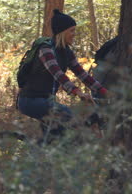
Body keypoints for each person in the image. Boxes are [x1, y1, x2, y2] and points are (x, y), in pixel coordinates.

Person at [17, 9, 108, 138]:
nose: (74, 34)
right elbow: (58, 75)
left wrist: (103, 91)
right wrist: (78, 92)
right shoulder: (46, 50)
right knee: (70, 117)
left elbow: (82, 74)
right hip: (31, 101)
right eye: (71, 31)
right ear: (62, 32)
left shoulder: (66, 51)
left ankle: (42, 154)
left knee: (55, 138)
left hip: (46, 101)